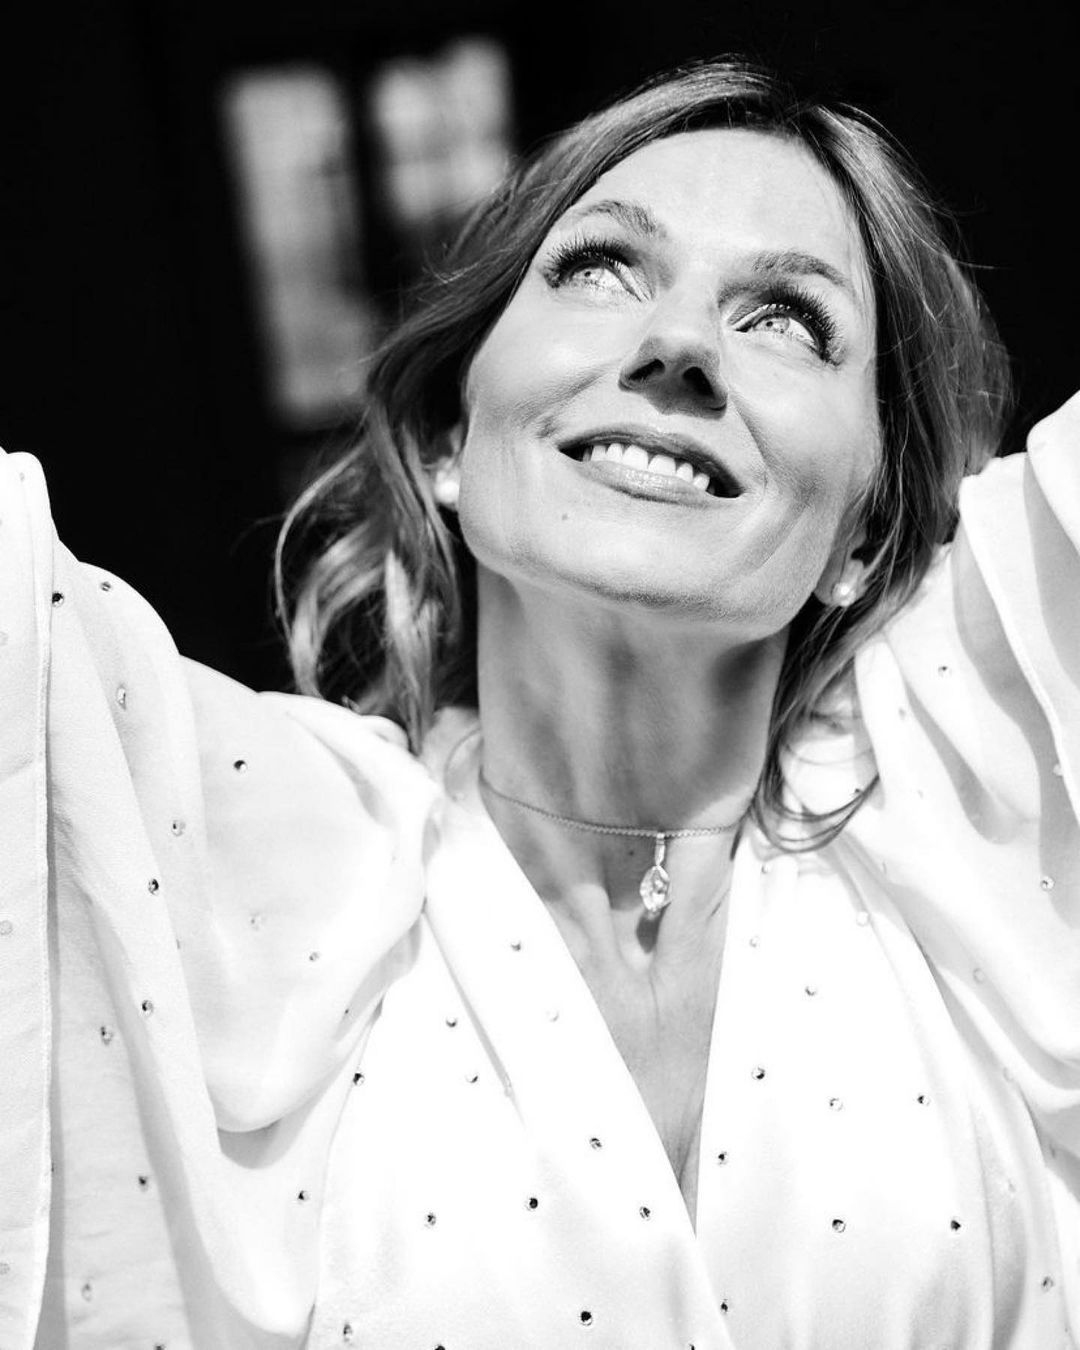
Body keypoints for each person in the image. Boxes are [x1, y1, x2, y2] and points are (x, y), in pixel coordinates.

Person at [1, 55, 1077, 1350]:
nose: (681, 345)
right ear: (451, 440)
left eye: (788, 318)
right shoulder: (250, 864)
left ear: (863, 534)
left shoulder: (982, 806)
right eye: (602, 267)